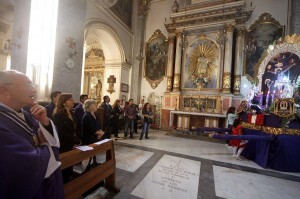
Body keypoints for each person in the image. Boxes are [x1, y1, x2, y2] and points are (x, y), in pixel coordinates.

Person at [0, 70, 64, 198]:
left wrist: (45, 122)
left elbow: (42, 138)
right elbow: (28, 163)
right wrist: (45, 144)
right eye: (28, 85)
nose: (34, 90)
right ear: (4, 90)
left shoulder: (26, 113)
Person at [53, 93, 81, 183]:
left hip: (73, 144)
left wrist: (77, 141)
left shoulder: (72, 113)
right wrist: (73, 143)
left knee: (70, 166)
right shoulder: (58, 116)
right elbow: (61, 133)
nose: (73, 101)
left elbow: (76, 129)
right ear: (63, 103)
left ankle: (69, 183)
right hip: (64, 145)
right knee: (64, 168)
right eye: (70, 100)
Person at [82, 99, 105, 166]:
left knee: (93, 152)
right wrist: (100, 133)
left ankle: (94, 163)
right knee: (88, 155)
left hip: (93, 137)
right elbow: (91, 129)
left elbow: (97, 125)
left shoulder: (93, 114)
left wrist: (99, 132)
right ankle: (86, 169)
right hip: (88, 138)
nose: (96, 106)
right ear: (90, 106)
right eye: (94, 105)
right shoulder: (87, 116)